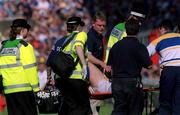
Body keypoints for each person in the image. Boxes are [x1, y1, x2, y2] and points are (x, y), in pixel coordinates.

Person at [46, 16, 91, 115]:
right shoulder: (81, 34)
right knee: (82, 108)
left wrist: (49, 77)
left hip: (61, 80)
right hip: (76, 78)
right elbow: (78, 47)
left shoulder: (59, 41)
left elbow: (49, 62)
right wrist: (84, 65)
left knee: (67, 107)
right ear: (78, 26)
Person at [108, 18, 152, 115]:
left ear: (126, 30)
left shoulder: (116, 46)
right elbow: (149, 65)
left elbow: (110, 66)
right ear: (138, 30)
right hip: (132, 82)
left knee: (119, 110)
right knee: (135, 110)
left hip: (117, 82)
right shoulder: (140, 47)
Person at [0, 19, 40, 115]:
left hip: (9, 90)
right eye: (27, 29)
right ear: (23, 30)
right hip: (24, 89)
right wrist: (36, 89)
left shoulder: (4, 46)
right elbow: (30, 68)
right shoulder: (25, 46)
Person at [147, 19, 180, 115]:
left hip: (169, 71)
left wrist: (151, 66)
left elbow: (144, 54)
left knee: (165, 104)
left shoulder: (158, 40)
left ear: (161, 29)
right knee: (178, 104)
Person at [86, 11, 111, 115]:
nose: (102, 28)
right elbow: (88, 56)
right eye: (99, 25)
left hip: (97, 73)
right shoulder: (90, 36)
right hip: (90, 75)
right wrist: (102, 63)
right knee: (92, 105)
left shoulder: (100, 36)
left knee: (97, 103)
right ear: (93, 23)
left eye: (103, 26)